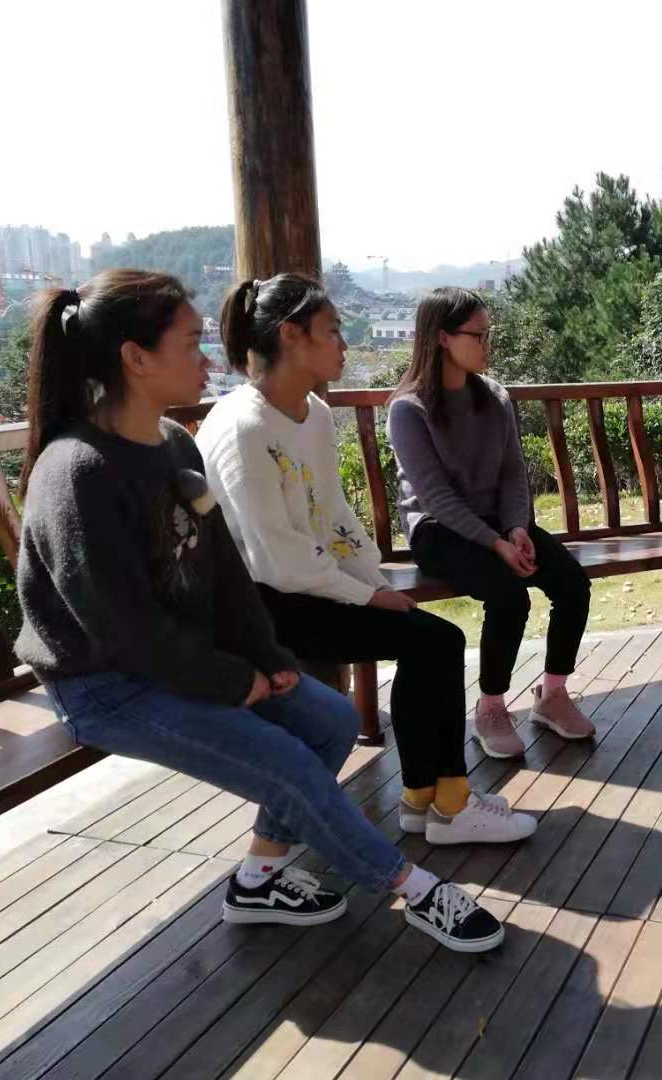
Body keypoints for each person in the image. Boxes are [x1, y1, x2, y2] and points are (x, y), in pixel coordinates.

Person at [14, 269, 504, 952]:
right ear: (136, 358)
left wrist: (268, 660)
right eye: (191, 344)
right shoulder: (78, 471)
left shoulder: (173, 445)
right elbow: (119, 626)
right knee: (289, 763)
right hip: (104, 684)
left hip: (177, 660)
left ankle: (259, 878)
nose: (209, 359)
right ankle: (412, 888)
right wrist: (229, 679)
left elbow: (223, 573)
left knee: (330, 721)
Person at [196, 274, 534, 846]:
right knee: (436, 642)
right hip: (260, 607)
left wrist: (372, 579)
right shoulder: (244, 427)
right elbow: (276, 557)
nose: (344, 343)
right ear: (291, 335)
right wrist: (367, 595)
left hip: (307, 587)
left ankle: (426, 800)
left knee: (429, 639)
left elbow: (334, 515)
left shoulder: (312, 411)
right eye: (331, 331)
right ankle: (447, 805)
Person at [386, 287, 594, 759]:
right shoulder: (408, 409)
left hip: (499, 523)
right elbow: (436, 497)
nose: (487, 344)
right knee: (509, 595)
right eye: (477, 335)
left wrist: (517, 527)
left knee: (572, 584)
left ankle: (553, 694)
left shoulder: (496, 397)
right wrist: (495, 544)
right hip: (438, 531)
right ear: (442, 337)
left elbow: (513, 474)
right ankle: (491, 707)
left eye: (488, 333)